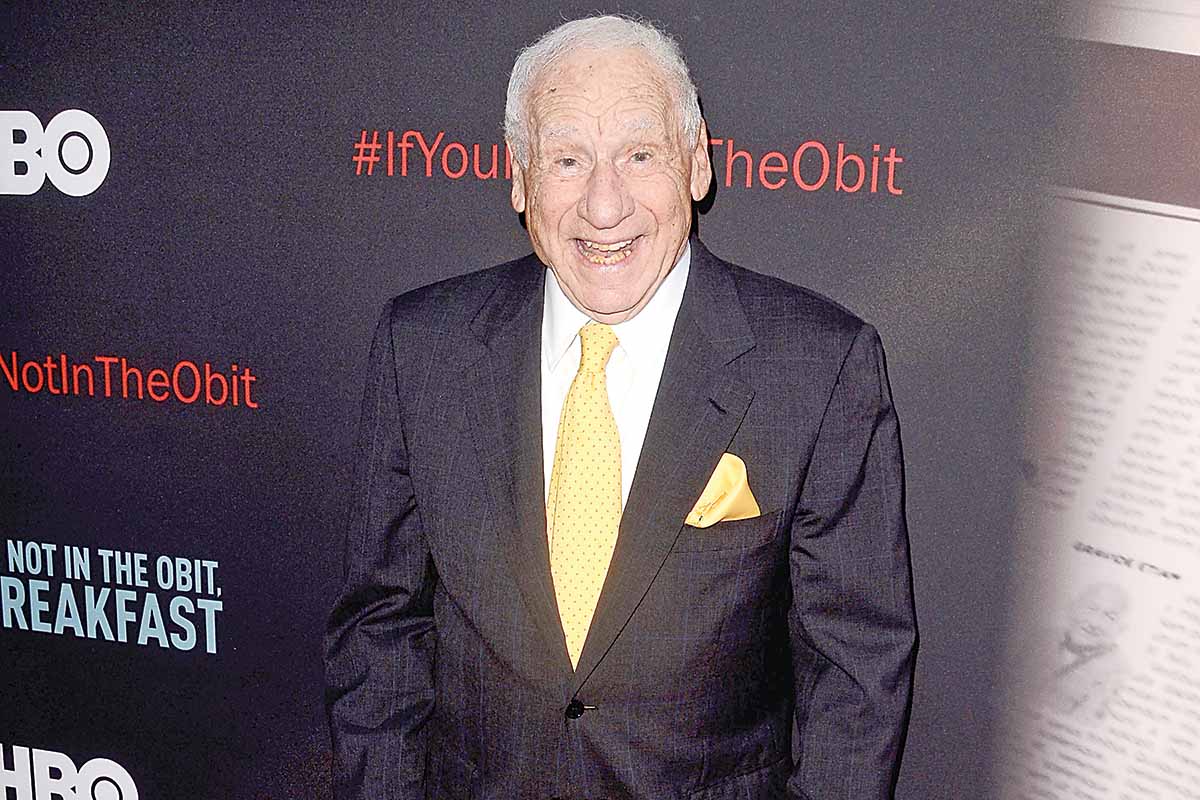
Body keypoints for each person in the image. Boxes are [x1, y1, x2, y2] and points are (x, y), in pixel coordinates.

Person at [325, 14, 917, 800]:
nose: (604, 206)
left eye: (640, 155)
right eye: (568, 160)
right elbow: (381, 629)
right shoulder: (422, 347)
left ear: (697, 162)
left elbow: (857, 674)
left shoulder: (818, 366)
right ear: (520, 180)